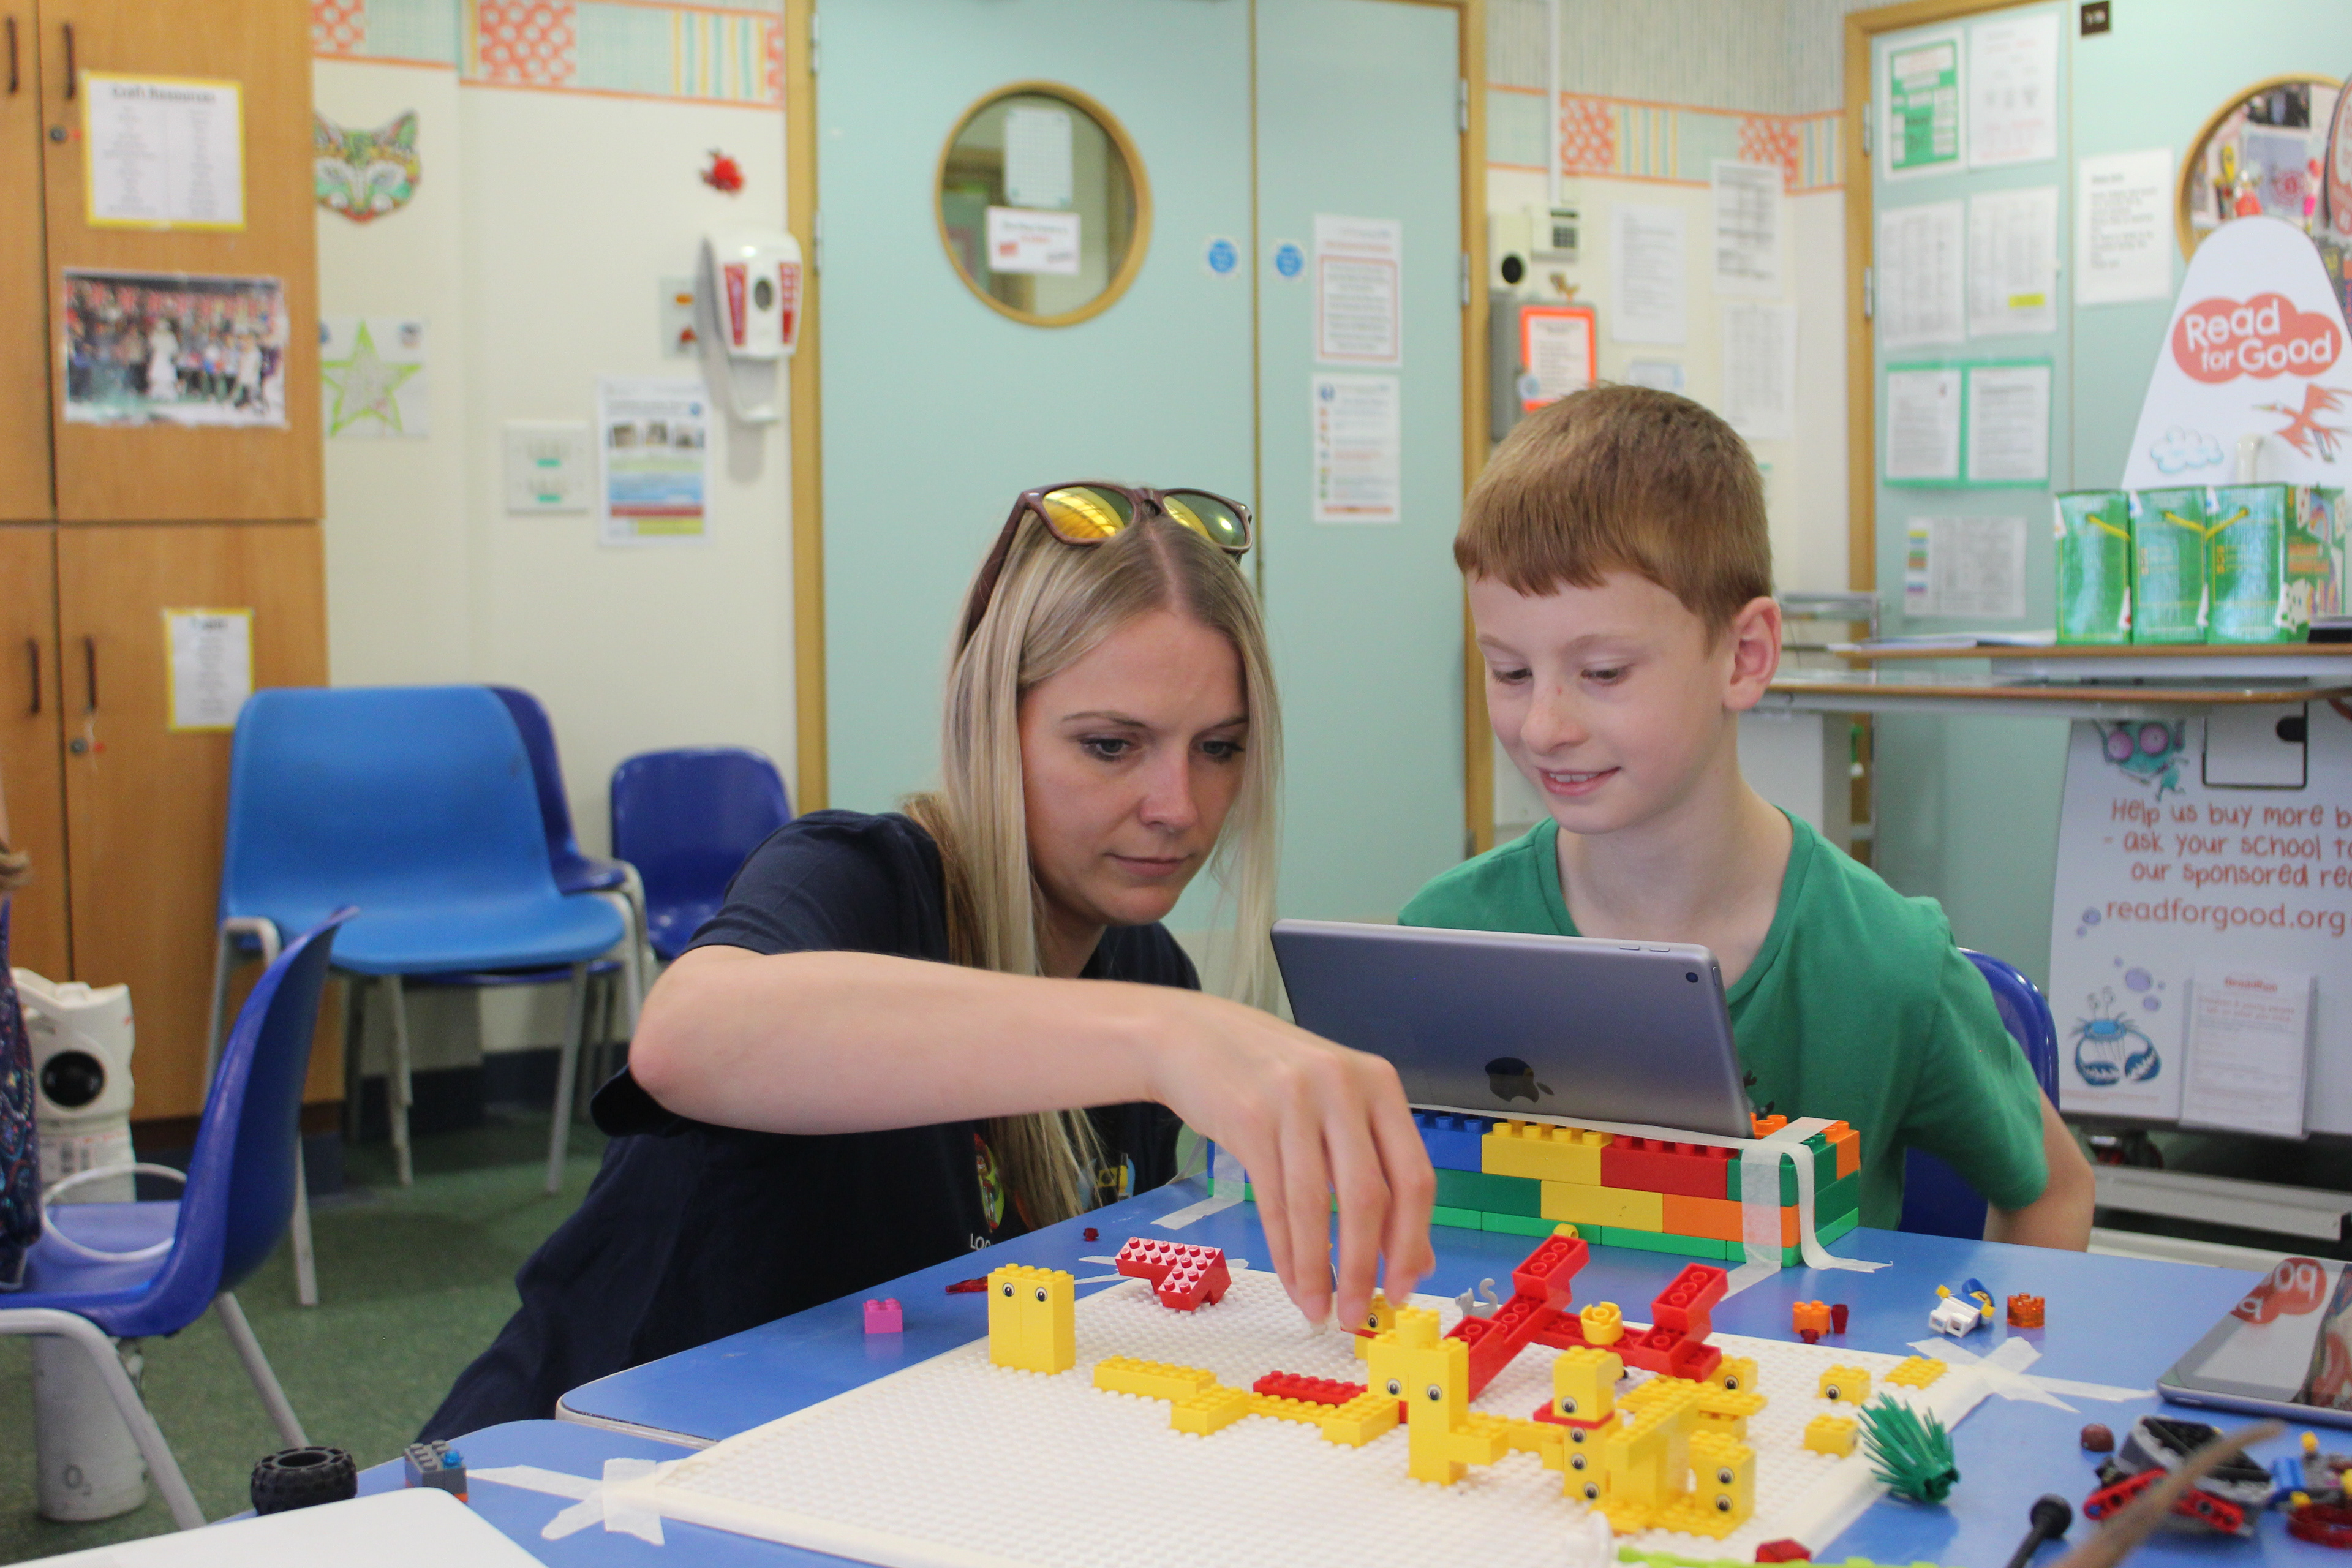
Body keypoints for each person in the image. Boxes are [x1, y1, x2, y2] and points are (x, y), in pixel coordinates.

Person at [421, 483, 1434, 1436]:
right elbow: (687, 1039)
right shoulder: (857, 880)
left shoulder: (1145, 965)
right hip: (565, 1469)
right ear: (992, 725)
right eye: (1110, 746)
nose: (1178, 806)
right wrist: (1162, 1038)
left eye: (1219, 748)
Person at [1399, 386, 2096, 1246]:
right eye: (1510, 673)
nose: (1543, 726)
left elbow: (2053, 1192)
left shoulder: (1889, 964)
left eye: (1604, 672)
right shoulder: (1442, 943)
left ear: (1745, 656)